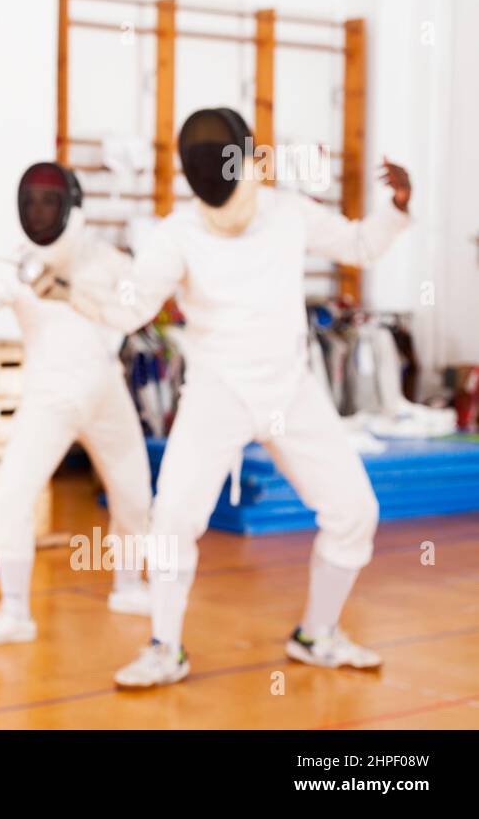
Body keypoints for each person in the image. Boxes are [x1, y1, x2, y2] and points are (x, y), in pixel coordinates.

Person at [69, 107, 413, 688]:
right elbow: (130, 308)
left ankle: (317, 634)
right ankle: (164, 647)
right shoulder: (175, 234)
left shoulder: (288, 212)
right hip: (217, 392)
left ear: (253, 162)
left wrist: (396, 208)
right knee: (173, 516)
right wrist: (78, 292)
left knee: (355, 510)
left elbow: (360, 244)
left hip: (290, 387)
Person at [0, 163, 152, 646]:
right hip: (48, 399)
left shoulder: (107, 261)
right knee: (12, 496)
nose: (38, 211)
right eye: (30, 202)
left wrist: (73, 291)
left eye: (48, 202)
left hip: (106, 392)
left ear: (71, 208)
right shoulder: (17, 266)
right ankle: (14, 612)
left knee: (135, 492)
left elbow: (139, 309)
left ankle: (130, 585)